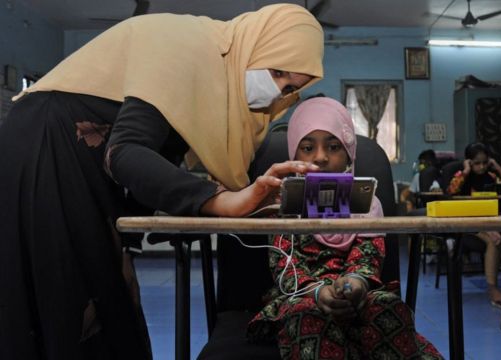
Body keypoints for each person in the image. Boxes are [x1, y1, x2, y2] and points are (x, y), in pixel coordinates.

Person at [0, 4, 324, 359]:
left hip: (84, 165)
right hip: (49, 148)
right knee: (69, 306)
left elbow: (154, 157)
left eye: (289, 88)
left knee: (107, 307)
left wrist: (134, 240)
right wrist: (221, 200)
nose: (275, 91)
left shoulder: (213, 82)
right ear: (254, 43)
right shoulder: (188, 47)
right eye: (276, 71)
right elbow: (125, 153)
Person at [247, 97, 443, 359]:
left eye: (333, 146)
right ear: (294, 156)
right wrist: (317, 292)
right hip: (304, 294)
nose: (320, 157)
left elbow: (369, 253)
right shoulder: (283, 205)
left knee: (388, 307)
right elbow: (284, 266)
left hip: (359, 292)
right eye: (307, 148)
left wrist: (355, 283)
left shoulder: (367, 204)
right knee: (307, 316)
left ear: (349, 154)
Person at [447, 142, 501, 306]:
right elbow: (450, 192)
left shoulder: (492, 176)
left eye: (485, 162)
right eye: (476, 163)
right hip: (467, 221)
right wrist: (466, 171)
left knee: (497, 234)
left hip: (491, 219)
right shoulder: (462, 176)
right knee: (494, 239)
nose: (482, 167)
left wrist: (498, 168)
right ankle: (492, 288)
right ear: (469, 162)